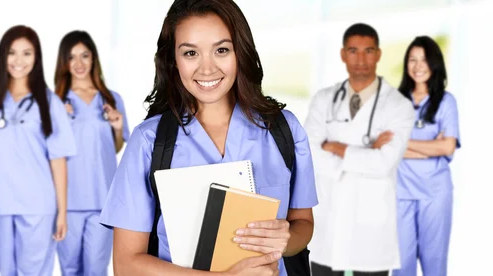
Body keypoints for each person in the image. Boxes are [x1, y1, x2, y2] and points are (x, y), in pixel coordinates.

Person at [98, 0, 318, 275]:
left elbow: (303, 223)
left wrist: (284, 241)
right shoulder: (148, 142)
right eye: (190, 53)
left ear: (241, 52)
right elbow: (127, 264)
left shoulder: (284, 129)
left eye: (222, 50)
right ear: (173, 60)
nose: (207, 69)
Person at [0, 25, 76, 276]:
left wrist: (62, 212)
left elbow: (58, 161)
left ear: (36, 58)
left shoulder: (49, 103)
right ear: (2, 56)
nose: (18, 60)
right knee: (4, 271)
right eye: (12, 53)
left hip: (38, 205)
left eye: (27, 53)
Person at [304, 23, 415, 276]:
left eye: (368, 51)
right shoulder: (324, 99)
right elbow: (310, 153)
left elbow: (383, 164)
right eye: (353, 51)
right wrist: (364, 153)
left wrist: (335, 147)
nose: (361, 59)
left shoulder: (398, 106)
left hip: (371, 221)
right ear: (343, 54)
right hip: (328, 221)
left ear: (378, 54)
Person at [54, 30, 130, 276]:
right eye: (72, 57)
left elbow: (114, 148)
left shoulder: (111, 99)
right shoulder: (55, 103)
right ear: (64, 62)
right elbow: (47, 153)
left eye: (84, 56)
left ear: (93, 59)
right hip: (67, 201)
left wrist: (117, 129)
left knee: (97, 269)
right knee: (70, 269)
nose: (78, 63)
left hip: (102, 199)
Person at [394, 36, 460, 276]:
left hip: (435, 193)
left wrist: (403, 144)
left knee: (434, 263)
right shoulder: (395, 102)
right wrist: (431, 145)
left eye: (424, 59)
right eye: (413, 59)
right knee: (401, 265)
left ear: (435, 64)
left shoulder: (446, 101)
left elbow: (448, 148)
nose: (418, 65)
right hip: (401, 193)